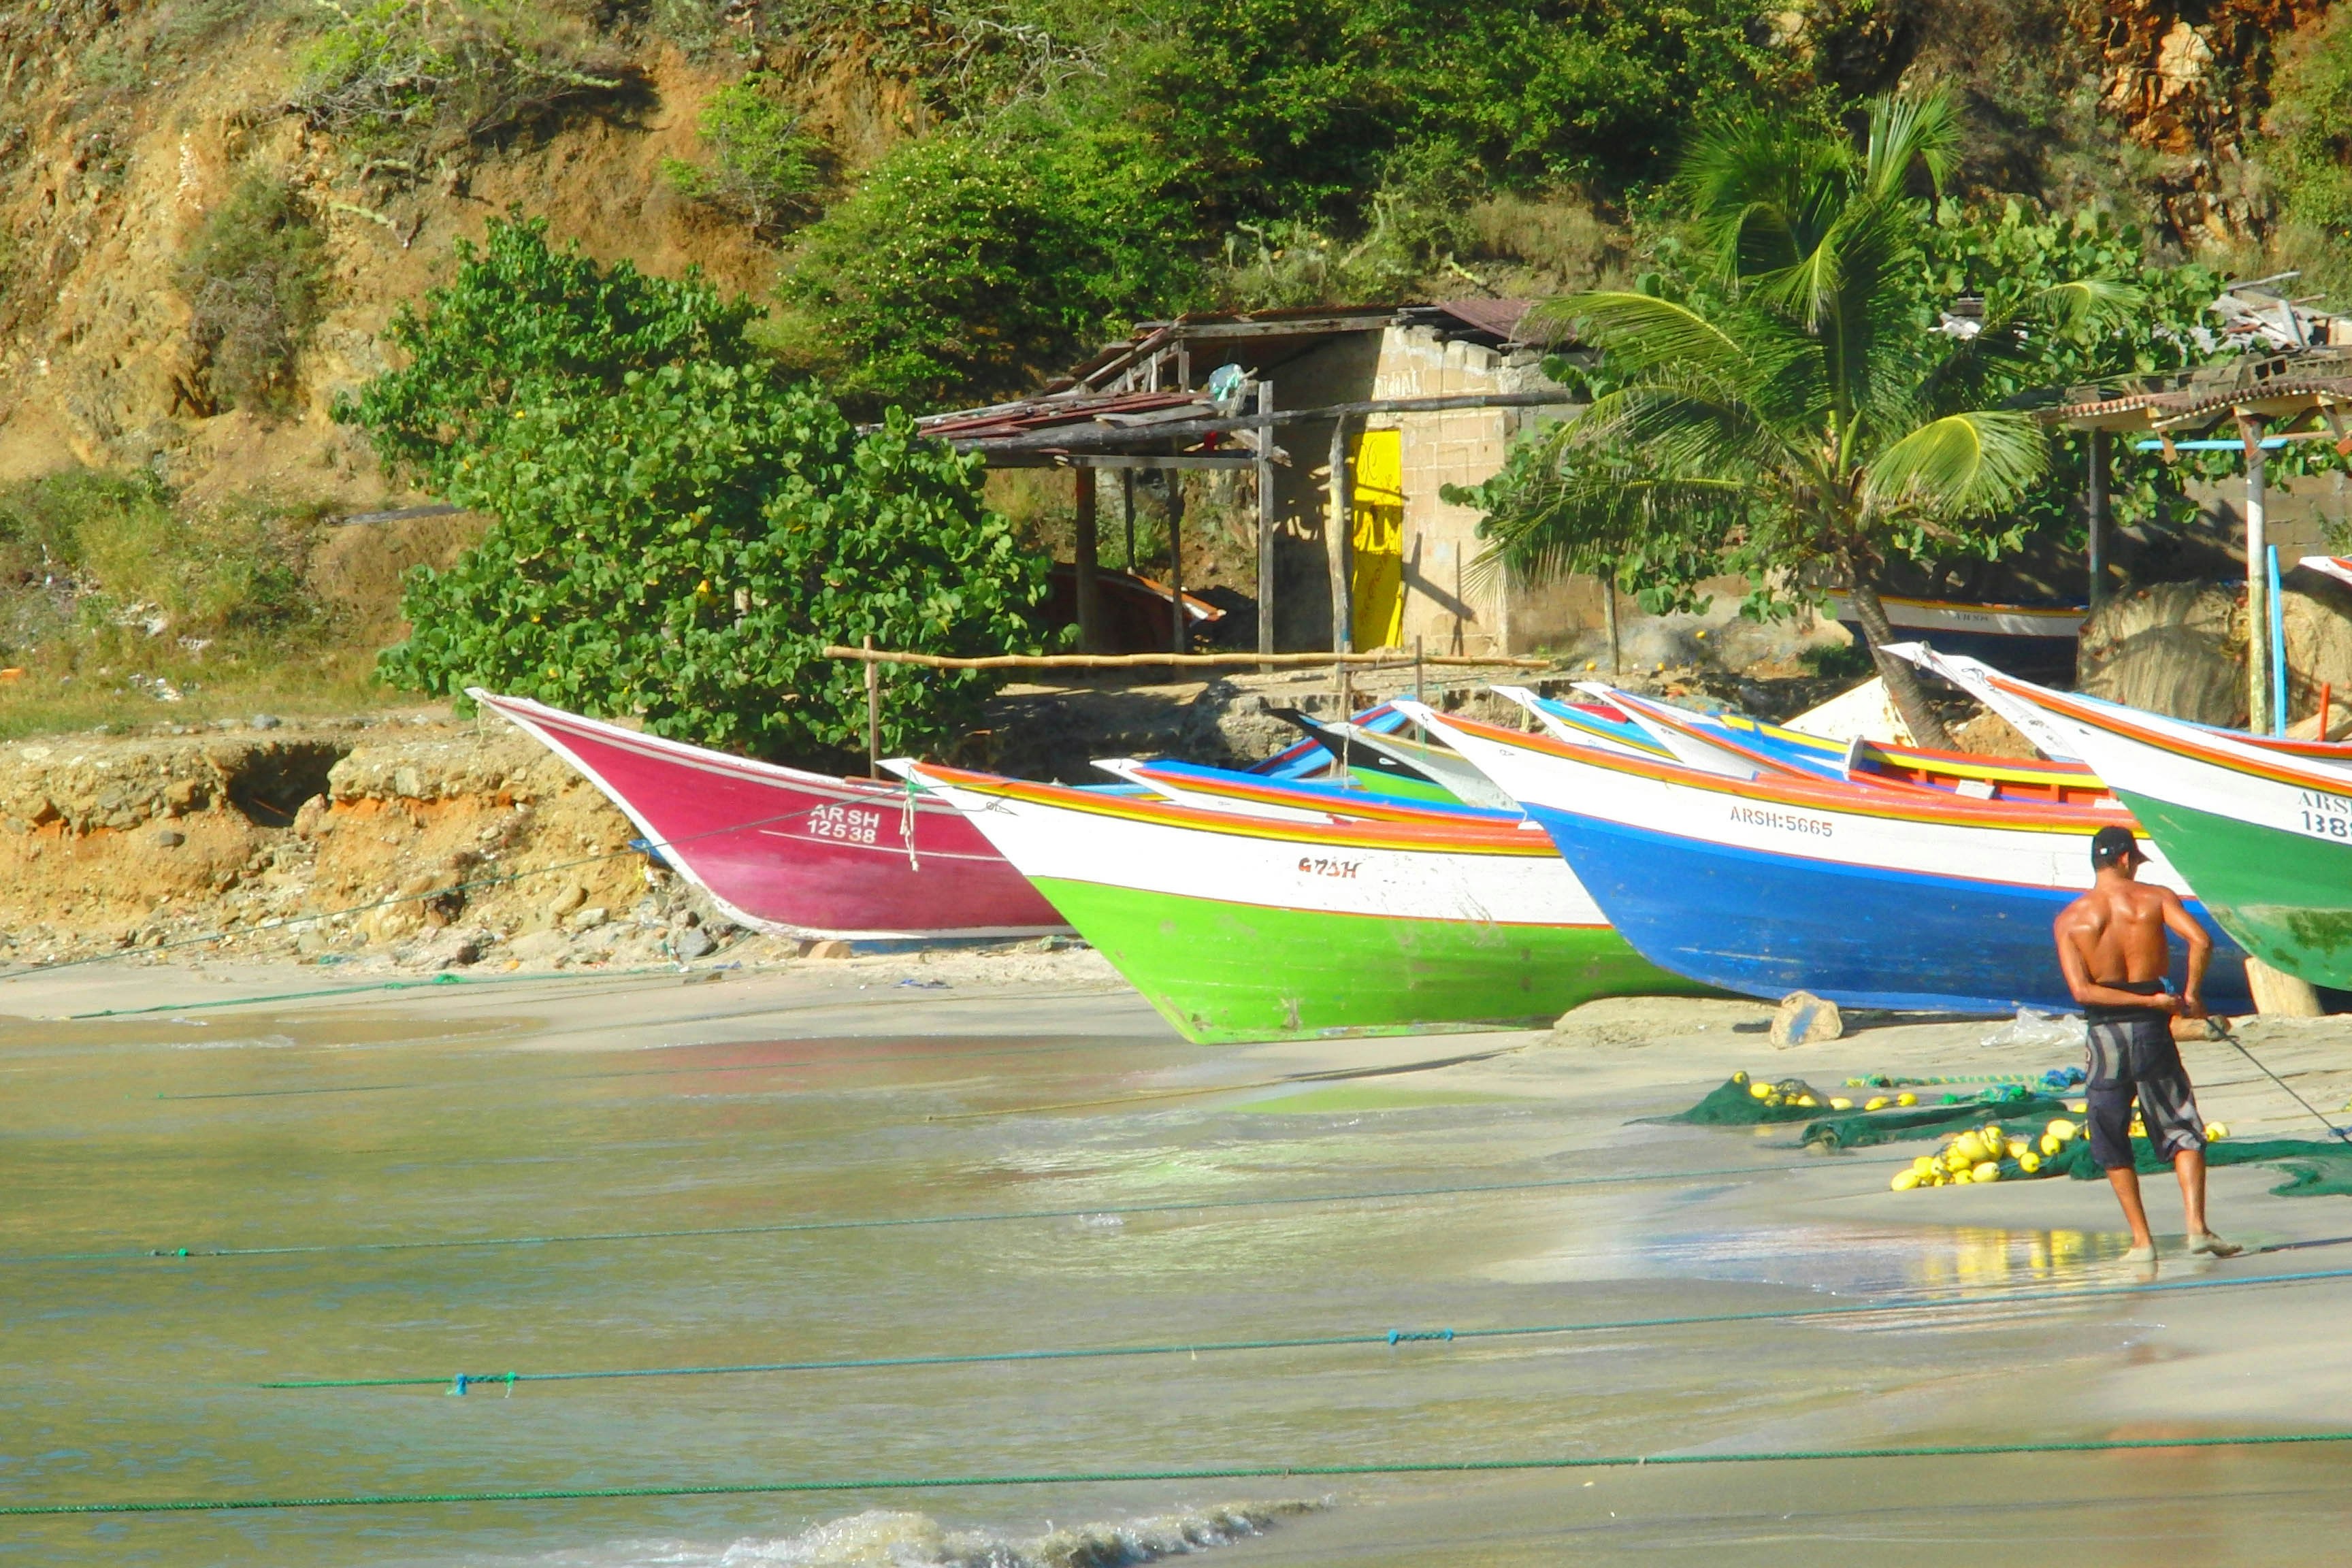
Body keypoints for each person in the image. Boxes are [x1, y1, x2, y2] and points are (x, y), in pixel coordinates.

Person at [2051, 825, 2239, 1265]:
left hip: (2105, 1037)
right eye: (2134, 860)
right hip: (2153, 1029)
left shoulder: (2070, 920)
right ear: (2123, 860)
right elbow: (2201, 939)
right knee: (2180, 1122)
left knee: (2109, 1132)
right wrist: (2187, 995)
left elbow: (2082, 991)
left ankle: (2142, 1241)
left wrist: (2148, 1001)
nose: (2135, 868)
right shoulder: (2155, 898)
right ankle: (2196, 1228)